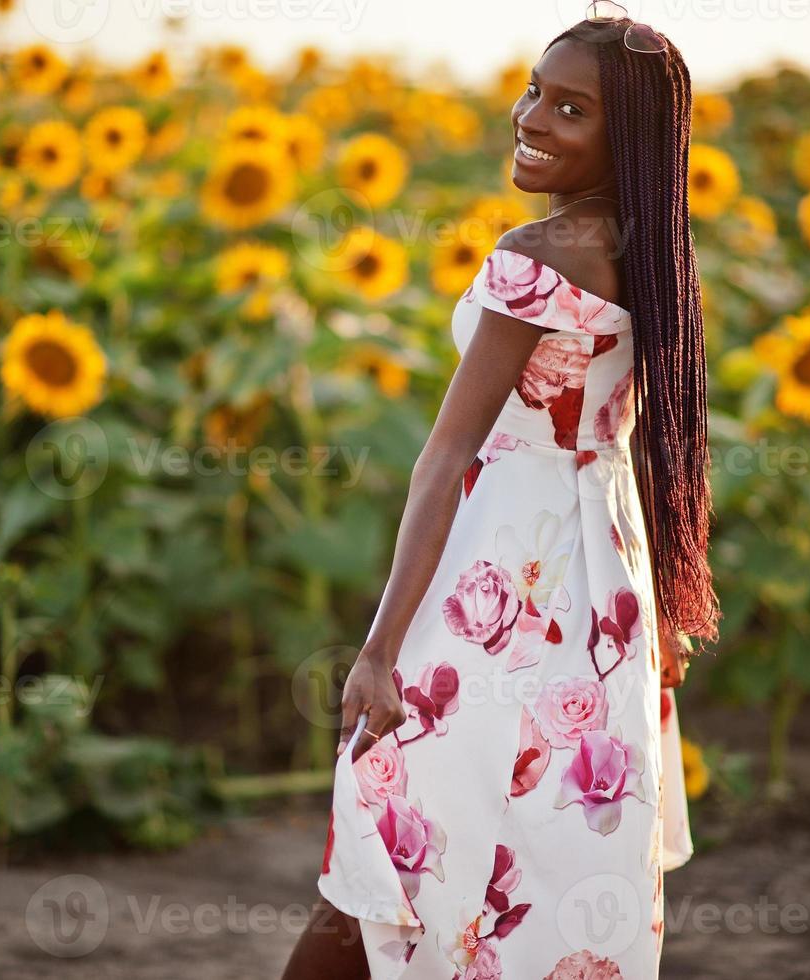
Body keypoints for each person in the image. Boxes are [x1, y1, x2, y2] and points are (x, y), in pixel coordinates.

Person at [283, 5, 722, 977]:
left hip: (498, 588)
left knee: (386, 848)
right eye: (534, 90)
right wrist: (661, 621)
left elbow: (444, 457)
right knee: (542, 867)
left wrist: (379, 651)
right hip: (602, 604)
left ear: (629, 138)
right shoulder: (650, 254)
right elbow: (643, 442)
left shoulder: (538, 254)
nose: (531, 117)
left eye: (572, 108)